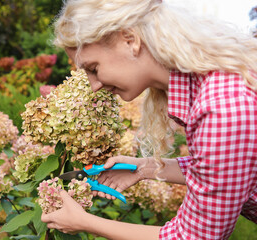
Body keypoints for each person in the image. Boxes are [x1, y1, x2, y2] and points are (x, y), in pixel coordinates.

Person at [41, 0, 257, 239]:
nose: (94, 87)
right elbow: (223, 169)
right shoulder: (208, 85)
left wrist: (84, 222)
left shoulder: (221, 106)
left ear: (130, 40)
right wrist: (144, 168)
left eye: (93, 68)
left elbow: (196, 236)